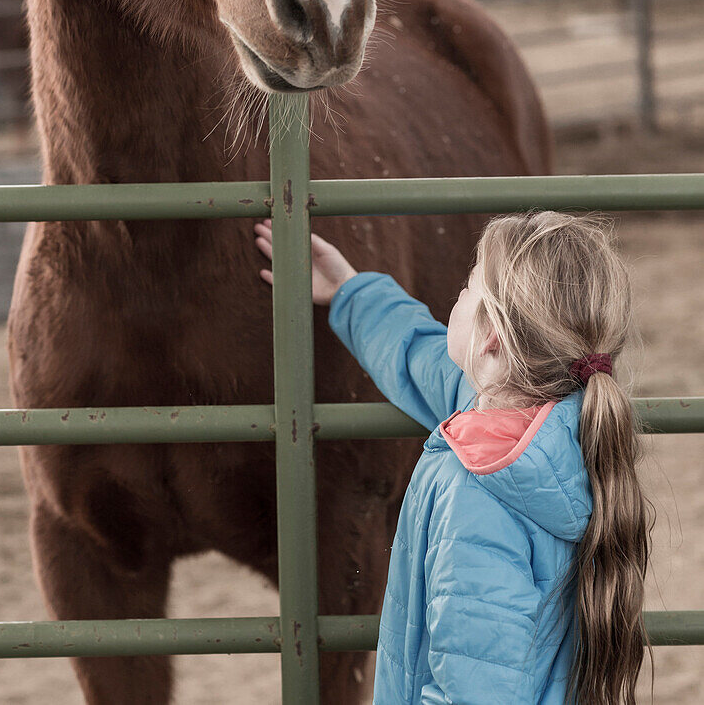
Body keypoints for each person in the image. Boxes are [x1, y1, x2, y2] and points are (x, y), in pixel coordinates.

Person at [253, 210, 653, 705]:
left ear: (491, 339)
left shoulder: (481, 498)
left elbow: (473, 690)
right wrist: (350, 292)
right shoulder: (559, 428)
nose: (457, 298)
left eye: (468, 287)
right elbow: (422, 359)